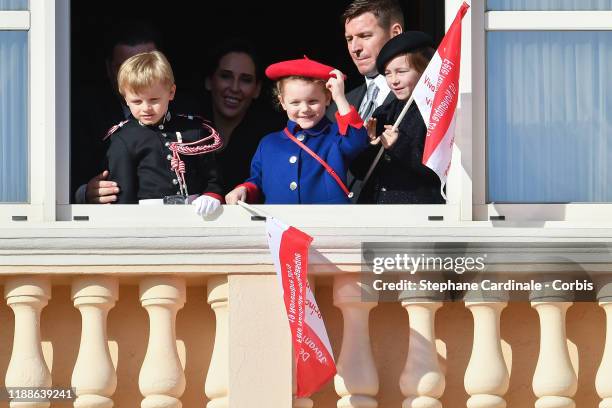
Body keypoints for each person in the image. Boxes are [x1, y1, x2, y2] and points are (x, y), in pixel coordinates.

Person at [225, 57, 368, 204]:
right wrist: (244, 189)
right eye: (295, 102)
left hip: (326, 224)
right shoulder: (269, 143)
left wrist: (340, 98)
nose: (305, 109)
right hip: (281, 225)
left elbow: (357, 142)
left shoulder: (336, 135)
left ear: (327, 98)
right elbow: (257, 181)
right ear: (282, 102)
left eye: (313, 101)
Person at [105, 50, 224, 214]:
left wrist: (212, 195)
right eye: (137, 101)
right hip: (148, 220)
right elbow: (123, 197)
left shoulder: (194, 130)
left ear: (171, 93)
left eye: (154, 100)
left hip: (196, 217)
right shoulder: (124, 138)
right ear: (125, 99)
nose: (146, 108)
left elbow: (213, 177)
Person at [72, 20, 161, 204]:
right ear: (109, 69)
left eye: (145, 66)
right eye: (126, 68)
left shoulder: (182, 112)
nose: (137, 77)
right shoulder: (85, 113)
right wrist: (84, 193)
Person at [328, 0, 405, 202]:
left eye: (365, 36)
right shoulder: (338, 103)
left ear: (395, 33)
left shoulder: (420, 97)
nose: (355, 48)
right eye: (349, 39)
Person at [357, 31, 444, 204]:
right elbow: (360, 171)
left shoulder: (435, 111)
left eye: (401, 71)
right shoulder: (384, 112)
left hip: (417, 212)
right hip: (377, 210)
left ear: (424, 70)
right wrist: (368, 144)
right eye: (388, 73)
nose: (393, 80)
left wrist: (400, 145)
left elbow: (438, 169)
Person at [202, 39, 285, 194]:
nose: (234, 88)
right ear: (209, 81)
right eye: (226, 76)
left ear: (257, 89)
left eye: (245, 80)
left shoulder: (271, 136)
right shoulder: (187, 130)